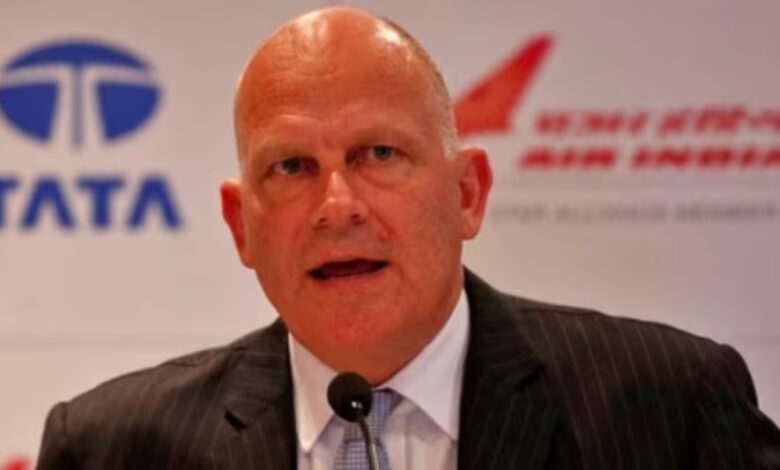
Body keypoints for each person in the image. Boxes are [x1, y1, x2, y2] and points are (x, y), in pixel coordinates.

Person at [36, 7, 780, 470]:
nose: (337, 206)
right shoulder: (107, 448)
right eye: (292, 167)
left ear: (467, 194)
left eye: (379, 154)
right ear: (241, 226)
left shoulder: (672, 410)